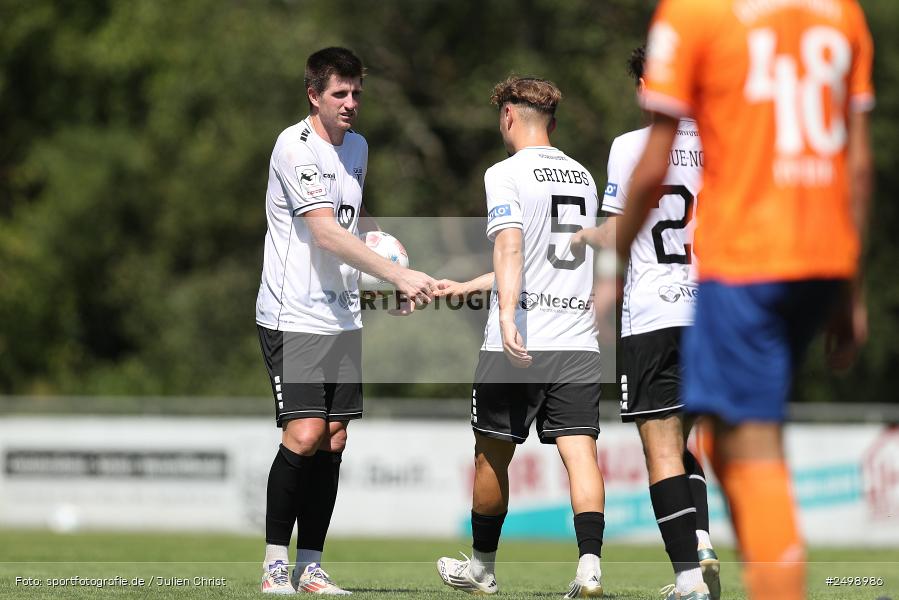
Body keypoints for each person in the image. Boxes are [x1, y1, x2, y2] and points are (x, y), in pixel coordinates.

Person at [616, 2, 874, 599]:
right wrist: (851, 286)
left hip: (740, 267)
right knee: (724, 437)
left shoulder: (694, 15)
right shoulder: (843, 14)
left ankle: (739, 580)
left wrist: (609, 265)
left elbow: (653, 162)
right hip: (823, 252)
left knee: (734, 445)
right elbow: (858, 166)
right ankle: (717, 557)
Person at [255, 46, 436, 595]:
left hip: (342, 316)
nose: (352, 102)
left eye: (357, 92)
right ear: (314, 95)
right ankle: (273, 566)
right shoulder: (295, 145)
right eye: (340, 93)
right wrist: (398, 276)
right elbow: (324, 231)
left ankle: (310, 566)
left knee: (333, 439)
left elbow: (350, 228)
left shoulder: (357, 147)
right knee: (305, 433)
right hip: (294, 313)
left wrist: (387, 272)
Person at [435, 76, 606, 598]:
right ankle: (590, 569)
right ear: (551, 123)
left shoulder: (504, 173)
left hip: (521, 342)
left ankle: (482, 569)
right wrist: (468, 286)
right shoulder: (583, 177)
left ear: (508, 116)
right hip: (577, 340)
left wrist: (506, 315)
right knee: (581, 455)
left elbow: (510, 248)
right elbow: (542, 261)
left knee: (491, 456)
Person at [571, 46, 718, 600]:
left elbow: (617, 232)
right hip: (708, 311)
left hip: (654, 311)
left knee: (660, 450)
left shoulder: (631, 147)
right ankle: (701, 537)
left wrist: (584, 236)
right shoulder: (715, 143)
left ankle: (687, 580)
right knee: (690, 439)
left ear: (642, 87)